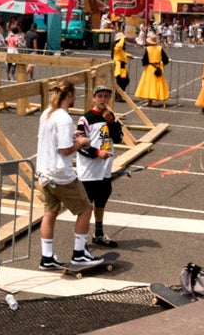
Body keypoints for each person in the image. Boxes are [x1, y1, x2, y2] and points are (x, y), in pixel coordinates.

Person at [33, 79, 100, 270]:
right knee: (86, 209)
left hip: (44, 172)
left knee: (50, 212)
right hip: (60, 174)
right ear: (69, 95)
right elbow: (64, 150)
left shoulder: (47, 113)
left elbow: (54, 141)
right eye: (75, 95)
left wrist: (73, 137)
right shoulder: (63, 118)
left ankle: (47, 257)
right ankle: (79, 254)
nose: (76, 98)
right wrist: (82, 142)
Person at [75, 83, 123, 252]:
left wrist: (111, 123)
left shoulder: (111, 116)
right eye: (100, 96)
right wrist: (96, 153)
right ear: (94, 98)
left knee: (101, 203)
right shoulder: (85, 119)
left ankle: (99, 233)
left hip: (105, 170)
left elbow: (119, 138)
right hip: (89, 171)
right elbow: (78, 145)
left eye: (106, 96)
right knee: (86, 207)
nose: (103, 100)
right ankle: (81, 241)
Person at [133, 33, 168, 103]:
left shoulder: (148, 49)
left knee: (149, 83)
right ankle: (158, 96)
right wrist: (161, 64)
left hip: (150, 68)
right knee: (158, 83)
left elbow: (145, 60)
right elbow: (165, 59)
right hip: (158, 67)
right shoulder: (160, 48)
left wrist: (144, 62)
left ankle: (150, 99)